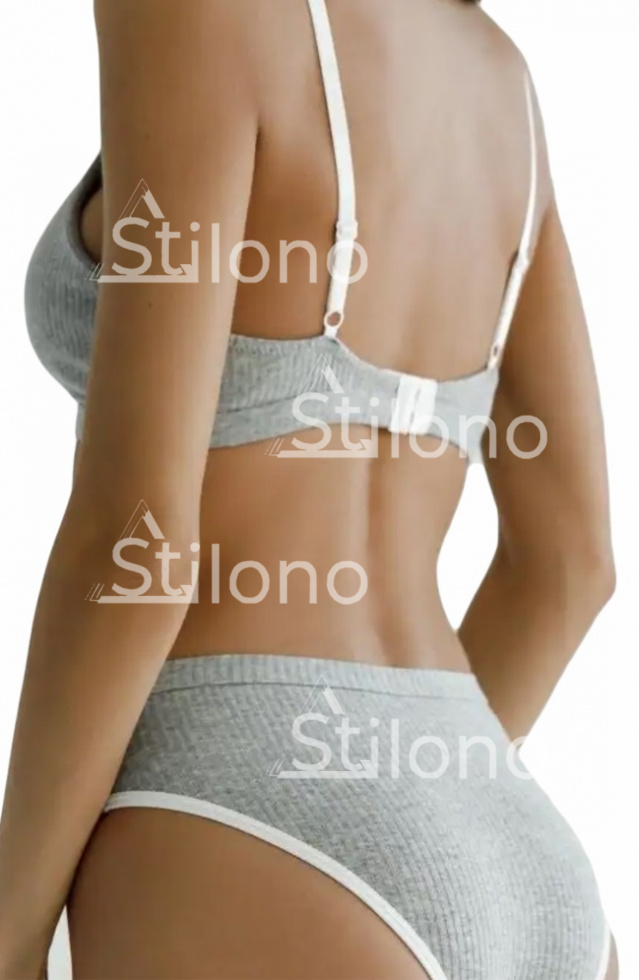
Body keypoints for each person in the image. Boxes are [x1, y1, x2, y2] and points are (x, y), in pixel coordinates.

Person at [0, 0, 618, 977]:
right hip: (515, 852)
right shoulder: (500, 77)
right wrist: (421, 812)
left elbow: (139, 544)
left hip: (245, 812)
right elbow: (570, 567)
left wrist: (9, 932)